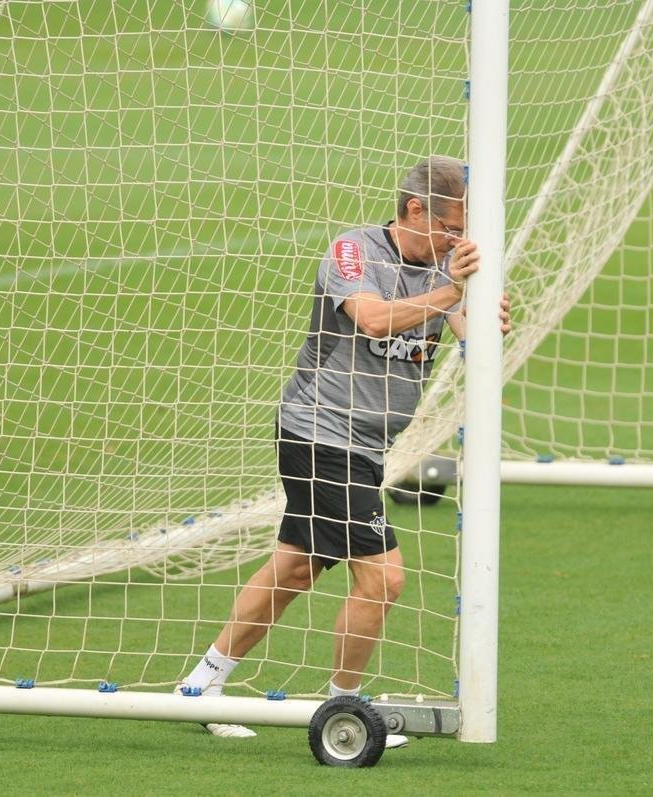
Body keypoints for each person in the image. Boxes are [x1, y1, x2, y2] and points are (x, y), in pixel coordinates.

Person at [181, 156, 512, 747]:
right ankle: (344, 707)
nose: (461, 236)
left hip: (366, 447)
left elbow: (468, 331)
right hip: (318, 433)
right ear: (417, 209)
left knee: (295, 565)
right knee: (383, 579)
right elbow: (375, 320)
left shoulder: (445, 266)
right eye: (455, 224)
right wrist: (451, 293)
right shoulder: (353, 252)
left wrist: (485, 315)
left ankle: (200, 685)